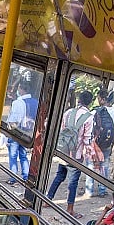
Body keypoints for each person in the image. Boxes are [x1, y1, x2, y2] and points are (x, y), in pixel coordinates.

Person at [46, 90, 96, 218]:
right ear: (90, 102)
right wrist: (90, 154)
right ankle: (70, 209)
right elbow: (87, 138)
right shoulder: (89, 117)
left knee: (59, 175)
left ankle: (48, 199)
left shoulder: (68, 112)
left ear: (79, 100)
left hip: (63, 151)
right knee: (73, 181)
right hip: (76, 155)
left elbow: (62, 130)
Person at [88, 88, 114, 194]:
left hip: (95, 144)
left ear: (102, 99)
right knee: (104, 165)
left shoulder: (95, 111)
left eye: (98, 98)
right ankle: (102, 190)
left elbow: (91, 129)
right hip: (107, 143)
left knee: (91, 165)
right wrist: (112, 143)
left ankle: (89, 190)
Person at [5, 79, 38, 185]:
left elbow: (14, 120)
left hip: (17, 132)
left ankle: (13, 176)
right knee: (23, 155)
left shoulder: (18, 102)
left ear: (21, 89)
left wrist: (8, 133)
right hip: (29, 132)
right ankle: (26, 175)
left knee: (13, 155)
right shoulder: (36, 102)